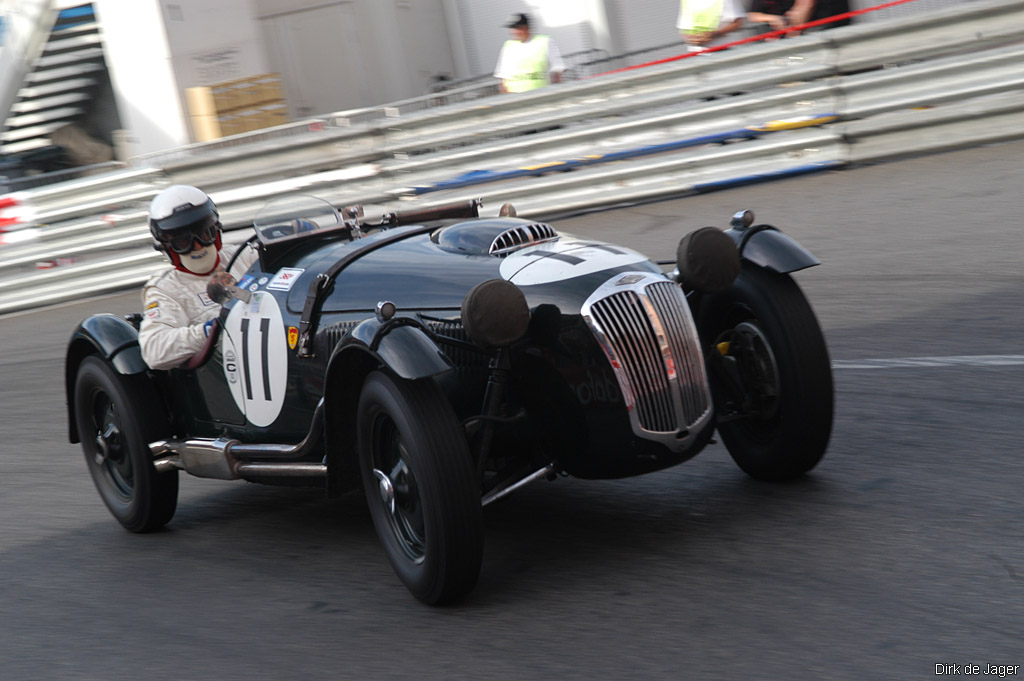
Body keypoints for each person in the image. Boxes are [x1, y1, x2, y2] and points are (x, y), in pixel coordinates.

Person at [139, 184, 258, 371]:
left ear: (216, 231)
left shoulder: (246, 256)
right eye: (182, 241)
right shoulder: (164, 289)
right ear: (168, 248)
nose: (197, 246)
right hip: (225, 370)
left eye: (203, 233)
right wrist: (210, 330)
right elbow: (154, 351)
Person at [493, 13, 566, 94]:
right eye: (512, 29)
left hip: (541, 95)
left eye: (517, 28)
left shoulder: (545, 41)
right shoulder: (508, 46)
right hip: (515, 98)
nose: (513, 32)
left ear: (526, 28)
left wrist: (555, 93)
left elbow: (557, 69)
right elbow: (502, 77)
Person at [677, 0, 746, 52]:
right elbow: (684, 28)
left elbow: (737, 22)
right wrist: (692, 38)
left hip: (722, 51)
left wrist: (715, 34)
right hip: (695, 53)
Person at [749, 0, 851, 35]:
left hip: (821, 27)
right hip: (795, 31)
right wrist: (772, 18)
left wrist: (792, 37)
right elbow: (752, 15)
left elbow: (806, 5)